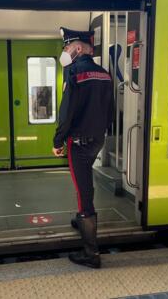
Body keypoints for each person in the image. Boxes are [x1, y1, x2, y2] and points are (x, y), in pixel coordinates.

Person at [52, 27, 114, 269]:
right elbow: (109, 110)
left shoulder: (75, 73)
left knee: (83, 191)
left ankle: (91, 253)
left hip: (78, 142)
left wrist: (58, 141)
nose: (65, 52)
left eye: (67, 47)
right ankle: (82, 221)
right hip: (97, 139)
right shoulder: (104, 74)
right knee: (86, 180)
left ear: (78, 48)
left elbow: (66, 114)